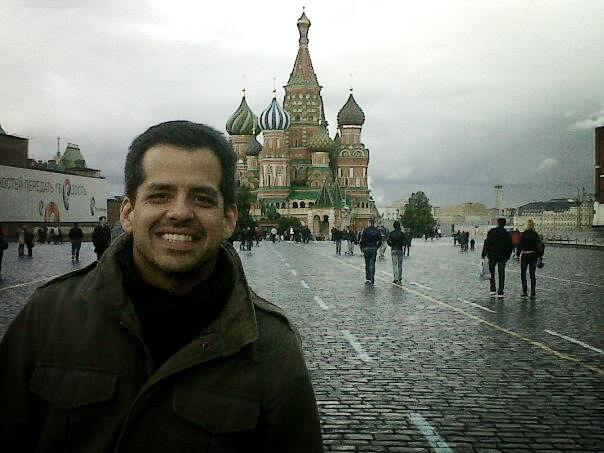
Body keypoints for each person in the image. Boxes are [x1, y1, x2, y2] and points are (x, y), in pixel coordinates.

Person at [0, 120, 323, 451]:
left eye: (202, 198)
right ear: (128, 213)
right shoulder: (48, 317)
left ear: (229, 219)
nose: (180, 213)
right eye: (160, 195)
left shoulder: (270, 346)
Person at [481, 218, 514, 297]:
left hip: (492, 255)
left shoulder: (492, 232)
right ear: (504, 224)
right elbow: (510, 246)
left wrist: (483, 254)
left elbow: (487, 243)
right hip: (502, 256)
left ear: (498, 223)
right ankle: (500, 291)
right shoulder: (507, 234)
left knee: (492, 273)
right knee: (501, 274)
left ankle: (492, 289)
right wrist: (507, 257)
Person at [516, 219, 543, 300]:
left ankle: (525, 291)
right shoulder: (535, 234)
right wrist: (540, 256)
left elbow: (520, 245)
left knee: (523, 274)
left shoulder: (524, 234)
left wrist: (518, 254)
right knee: (532, 275)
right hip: (533, 255)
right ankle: (533, 293)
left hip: (525, 255)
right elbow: (540, 246)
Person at [360, 218, 381, 285]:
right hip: (373, 248)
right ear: (374, 223)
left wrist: (362, 248)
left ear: (369, 223)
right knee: (372, 264)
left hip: (366, 248)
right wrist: (377, 247)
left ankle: (368, 278)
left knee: (367, 264)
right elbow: (380, 240)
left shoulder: (366, 230)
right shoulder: (377, 230)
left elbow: (362, 240)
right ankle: (372, 278)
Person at [387, 220, 406, 285]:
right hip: (400, 249)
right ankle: (400, 277)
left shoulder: (391, 233)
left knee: (394, 264)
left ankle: (396, 278)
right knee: (400, 264)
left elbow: (388, 241)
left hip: (393, 249)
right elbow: (405, 242)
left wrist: (391, 245)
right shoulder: (402, 233)